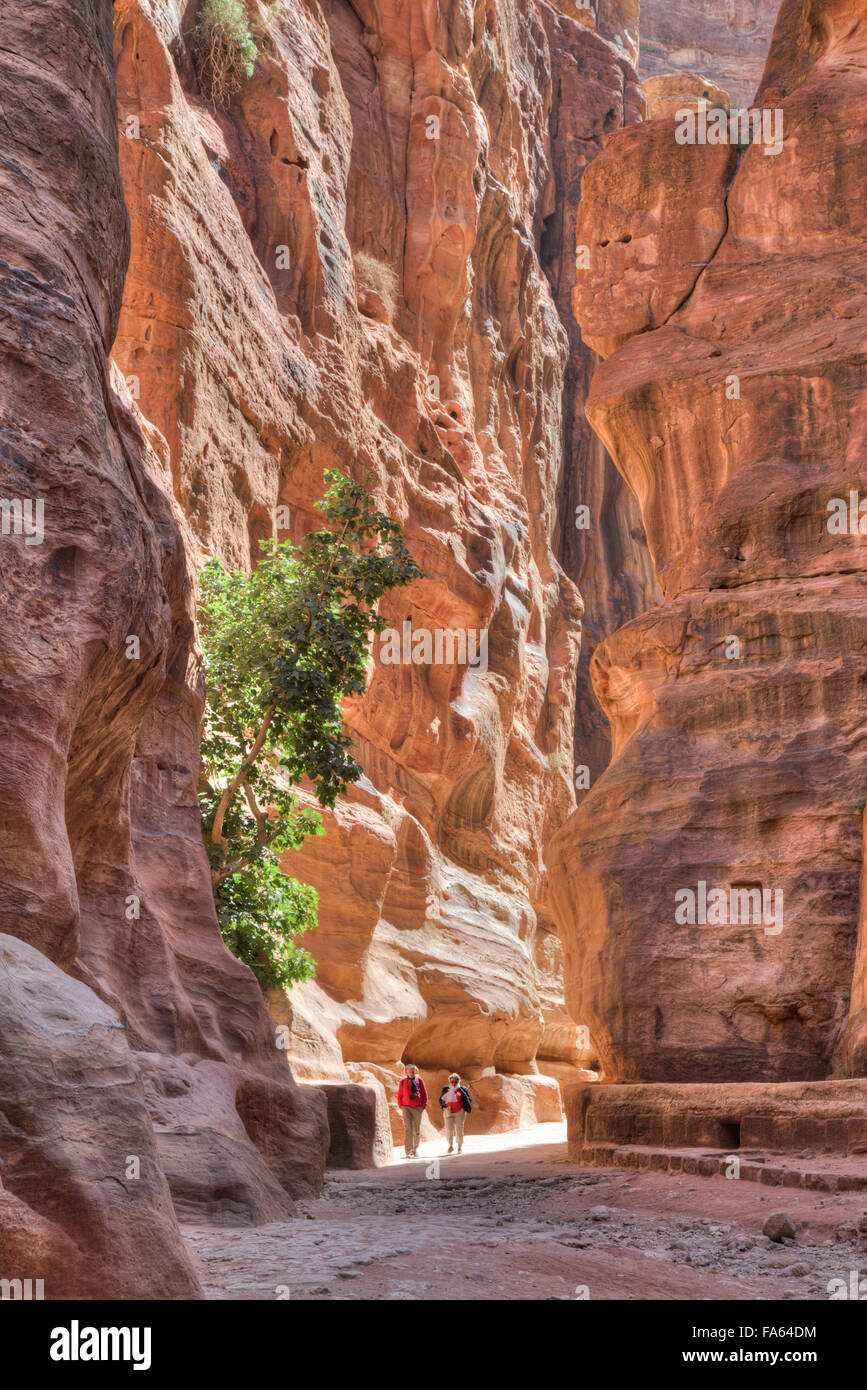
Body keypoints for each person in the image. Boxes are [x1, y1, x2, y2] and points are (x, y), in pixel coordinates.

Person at [396, 1063, 428, 1158]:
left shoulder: (419, 1080)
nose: (411, 1073)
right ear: (406, 1072)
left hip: (417, 1107)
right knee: (408, 1129)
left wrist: (423, 1106)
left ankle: (415, 1150)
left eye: (413, 1071)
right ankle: (408, 1151)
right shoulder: (403, 1082)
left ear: (415, 1072)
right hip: (406, 1107)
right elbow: (399, 1095)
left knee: (416, 1130)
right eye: (409, 1071)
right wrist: (401, 1106)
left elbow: (424, 1093)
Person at [439, 1072, 471, 1154]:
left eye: (455, 1082)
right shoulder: (446, 1089)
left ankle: (459, 1147)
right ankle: (450, 1146)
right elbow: (441, 1099)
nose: (453, 1083)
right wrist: (443, 1106)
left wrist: (465, 1108)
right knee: (449, 1129)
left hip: (459, 1112)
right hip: (448, 1111)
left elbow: (468, 1099)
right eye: (452, 1082)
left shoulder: (462, 1089)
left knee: (459, 1129)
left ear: (458, 1082)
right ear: (449, 1082)